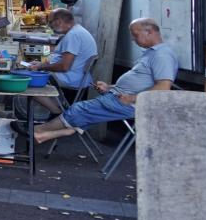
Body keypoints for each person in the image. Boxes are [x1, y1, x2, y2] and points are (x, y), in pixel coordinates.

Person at [33, 18, 176, 145]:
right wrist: (109, 87)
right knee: (83, 113)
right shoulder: (152, 53)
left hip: (132, 103)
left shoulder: (162, 56)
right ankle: (47, 134)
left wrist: (131, 98)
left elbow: (163, 88)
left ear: (149, 32)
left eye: (135, 34)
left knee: (79, 109)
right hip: (120, 96)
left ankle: (37, 131)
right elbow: (140, 81)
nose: (133, 39)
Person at [28, 8, 98, 116]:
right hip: (76, 76)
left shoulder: (73, 35)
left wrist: (42, 66)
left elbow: (64, 66)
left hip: (71, 78)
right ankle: (56, 112)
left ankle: (57, 113)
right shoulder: (76, 31)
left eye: (50, 22)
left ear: (58, 21)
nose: (49, 25)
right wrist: (43, 64)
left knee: (27, 82)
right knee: (34, 74)